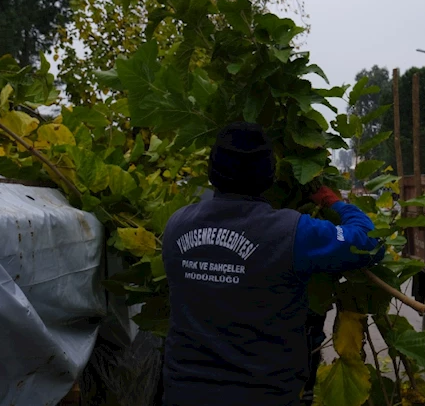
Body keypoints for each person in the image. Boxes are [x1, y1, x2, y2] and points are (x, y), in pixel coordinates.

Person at [160, 122, 384, 406]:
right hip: (263, 395)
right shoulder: (291, 233)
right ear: (270, 175)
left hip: (184, 394)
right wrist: (333, 203)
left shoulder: (176, 226)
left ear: (211, 171)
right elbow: (369, 242)